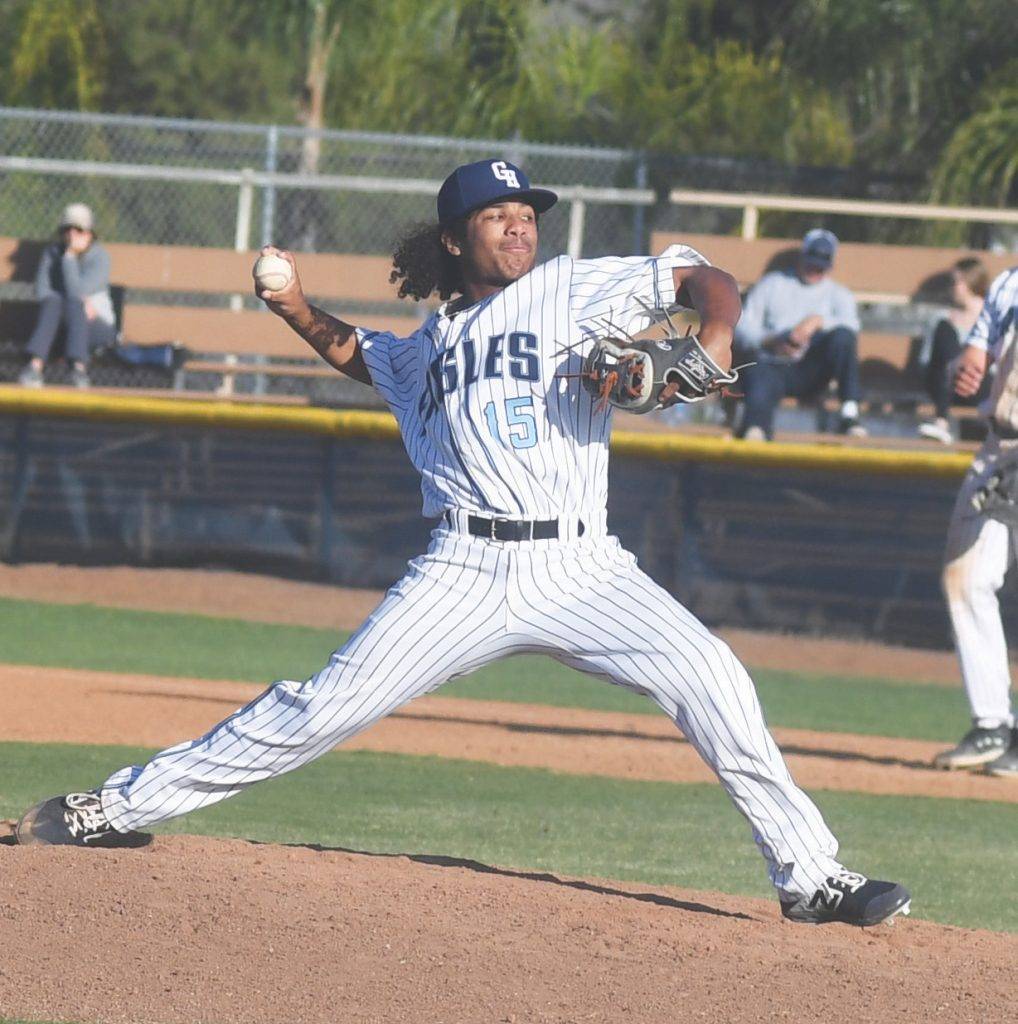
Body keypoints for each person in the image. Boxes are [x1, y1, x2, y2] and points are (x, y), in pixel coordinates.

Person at [15, 159, 910, 927]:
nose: (520, 230)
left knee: (712, 675)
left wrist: (711, 334)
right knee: (318, 709)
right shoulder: (426, 349)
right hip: (464, 570)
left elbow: (700, 276)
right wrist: (291, 304)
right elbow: (355, 351)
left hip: (582, 564)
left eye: (527, 216)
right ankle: (114, 805)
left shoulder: (568, 287)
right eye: (498, 217)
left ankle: (810, 878)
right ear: (454, 238)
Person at [934, 266, 1018, 776]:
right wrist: (966, 368)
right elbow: (975, 354)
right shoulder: (1009, 282)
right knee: (965, 579)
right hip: (1002, 446)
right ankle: (992, 723)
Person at [734, 229, 865, 441]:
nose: (815, 270)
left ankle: (850, 415)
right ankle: (755, 432)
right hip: (773, 365)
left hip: (814, 371)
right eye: (811, 263)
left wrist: (818, 322)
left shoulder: (838, 294)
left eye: (821, 267)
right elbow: (743, 327)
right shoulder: (772, 284)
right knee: (757, 373)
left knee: (843, 337)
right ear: (802, 257)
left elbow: (852, 326)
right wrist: (771, 339)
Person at [18, 202, 117, 389]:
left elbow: (76, 292)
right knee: (55, 301)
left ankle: (77, 369)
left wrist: (70, 258)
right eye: (67, 229)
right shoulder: (52, 253)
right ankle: (35, 368)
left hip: (96, 326)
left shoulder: (100, 257)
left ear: (89, 233)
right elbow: (42, 290)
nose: (71, 234)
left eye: (78, 229)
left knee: (74, 304)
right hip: (58, 325)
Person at [916, 258, 991, 445]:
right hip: (945, 383)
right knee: (945, 330)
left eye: (956, 282)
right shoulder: (943, 319)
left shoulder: (995, 320)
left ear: (970, 281)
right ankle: (941, 421)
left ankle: (941, 422)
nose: (952, 287)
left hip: (980, 384)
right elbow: (928, 361)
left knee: (967, 363)